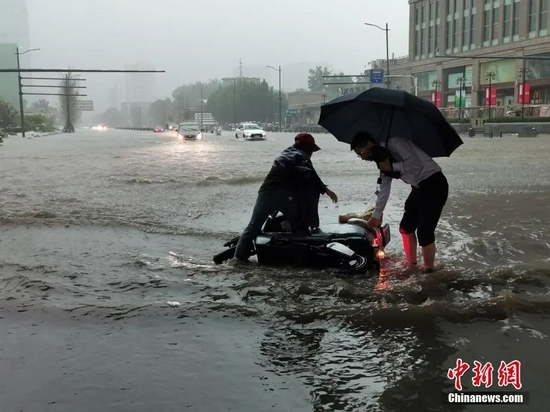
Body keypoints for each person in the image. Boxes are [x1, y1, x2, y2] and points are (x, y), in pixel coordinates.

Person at [350, 131, 448, 272]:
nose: (362, 157)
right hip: (417, 187)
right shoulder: (380, 157)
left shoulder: (396, 143)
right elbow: (384, 189)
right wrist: (376, 216)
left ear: (368, 145)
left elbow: (415, 164)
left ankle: (429, 269)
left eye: (360, 152)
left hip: (434, 183)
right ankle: (411, 264)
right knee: (405, 227)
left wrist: (392, 167)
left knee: (424, 231)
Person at [234, 133, 338, 263]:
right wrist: (326, 190)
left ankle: (238, 259)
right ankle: (301, 256)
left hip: (265, 191)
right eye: (311, 150)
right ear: (307, 148)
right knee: (301, 228)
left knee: (253, 226)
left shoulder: (286, 153)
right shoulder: (300, 156)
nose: (311, 154)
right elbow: (309, 175)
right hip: (284, 195)